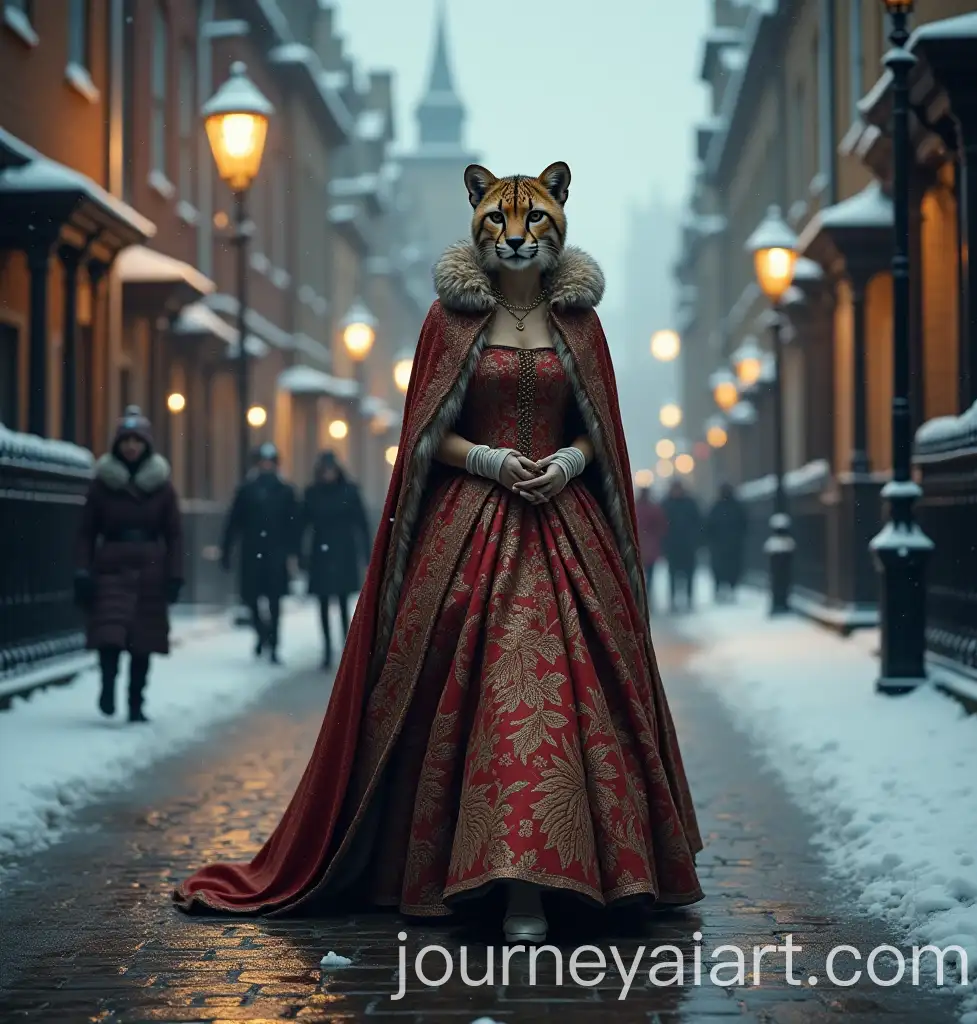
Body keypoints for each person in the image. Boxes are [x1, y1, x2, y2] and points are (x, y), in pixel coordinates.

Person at [176, 161, 703, 944]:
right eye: (500, 221)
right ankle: (499, 880)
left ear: (558, 218)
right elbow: (425, 433)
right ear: (478, 222)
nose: (517, 236)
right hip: (471, 524)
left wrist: (568, 462)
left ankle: (571, 874)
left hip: (567, 526)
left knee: (573, 687)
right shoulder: (448, 322)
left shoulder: (582, 325)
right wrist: (487, 459)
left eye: (533, 220)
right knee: (474, 685)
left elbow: (601, 433)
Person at [74, 406, 183, 723]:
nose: (131, 446)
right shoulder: (102, 485)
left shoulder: (162, 487)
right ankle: (108, 685)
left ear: (146, 445)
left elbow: (175, 535)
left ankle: (136, 702)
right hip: (111, 565)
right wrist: (82, 570)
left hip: (151, 569)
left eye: (137, 441)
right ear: (117, 444)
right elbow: (86, 532)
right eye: (126, 440)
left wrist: (175, 576)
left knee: (142, 641)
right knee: (109, 634)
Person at [220, 443, 298, 664]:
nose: (266, 465)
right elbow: (234, 522)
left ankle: (274, 644)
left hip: (276, 552)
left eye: (270, 461)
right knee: (250, 598)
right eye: (263, 461)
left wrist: (294, 553)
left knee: (274, 601)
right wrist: (226, 550)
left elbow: (294, 524)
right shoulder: (247, 490)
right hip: (252, 552)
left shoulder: (285, 491)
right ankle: (263, 633)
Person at [301, 450, 370, 670]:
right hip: (321, 554)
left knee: (342, 602)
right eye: (325, 470)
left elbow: (362, 524)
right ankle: (327, 649)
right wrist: (300, 555)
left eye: (330, 470)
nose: (328, 474)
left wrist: (367, 554)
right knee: (322, 603)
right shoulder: (312, 493)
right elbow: (301, 524)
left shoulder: (349, 491)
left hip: (344, 553)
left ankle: (345, 649)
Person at [661, 480, 703, 612]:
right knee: (673, 574)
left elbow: (698, 523)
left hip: (687, 545)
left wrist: (696, 540)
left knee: (689, 573)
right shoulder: (667, 504)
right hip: (673, 545)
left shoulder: (689, 503)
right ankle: (673, 600)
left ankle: (689, 599)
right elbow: (661, 525)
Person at [706, 482, 747, 601]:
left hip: (722, 544)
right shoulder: (736, 507)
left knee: (721, 568)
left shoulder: (717, 507)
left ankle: (721, 589)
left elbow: (709, 526)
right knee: (730, 568)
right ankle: (729, 588)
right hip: (730, 544)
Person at [635, 485, 668, 597]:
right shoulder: (653, 508)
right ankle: (646, 593)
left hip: (641, 545)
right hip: (649, 545)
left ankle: (641, 594)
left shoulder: (636, 507)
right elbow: (661, 526)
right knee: (649, 573)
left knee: (639, 573)